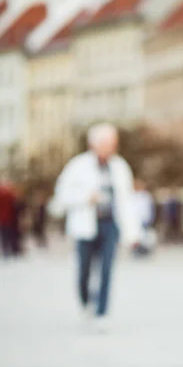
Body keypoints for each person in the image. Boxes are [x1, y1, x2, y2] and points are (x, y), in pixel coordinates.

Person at [54, 123, 140, 328]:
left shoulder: (119, 166)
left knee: (106, 268)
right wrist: (86, 198)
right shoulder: (78, 165)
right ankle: (86, 302)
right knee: (83, 269)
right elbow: (61, 196)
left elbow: (127, 201)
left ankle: (102, 312)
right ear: (94, 144)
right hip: (85, 224)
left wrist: (133, 233)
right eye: (107, 143)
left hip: (110, 224)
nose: (111, 147)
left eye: (113, 143)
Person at [131, 179, 156, 255]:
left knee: (145, 236)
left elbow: (150, 208)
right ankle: (136, 250)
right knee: (136, 236)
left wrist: (150, 218)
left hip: (145, 219)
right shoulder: (132, 195)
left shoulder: (147, 196)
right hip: (135, 220)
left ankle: (145, 250)